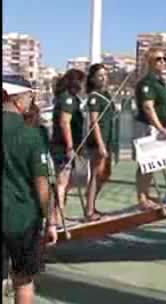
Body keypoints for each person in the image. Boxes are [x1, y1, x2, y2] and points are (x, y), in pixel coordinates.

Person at [3, 82, 57, 304]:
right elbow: (42, 184)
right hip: (22, 218)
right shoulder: (32, 134)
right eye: (30, 97)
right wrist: (51, 220)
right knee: (24, 280)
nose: (31, 102)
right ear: (18, 99)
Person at [134, 48, 166, 210]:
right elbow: (148, 107)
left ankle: (146, 193)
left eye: (164, 58)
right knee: (146, 162)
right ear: (150, 62)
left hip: (159, 125)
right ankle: (142, 197)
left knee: (153, 163)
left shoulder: (160, 82)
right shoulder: (147, 83)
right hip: (148, 126)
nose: (163, 61)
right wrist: (160, 129)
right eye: (159, 59)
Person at [50, 69, 86, 220]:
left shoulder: (68, 98)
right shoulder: (68, 99)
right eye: (82, 82)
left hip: (65, 145)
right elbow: (65, 123)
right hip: (63, 147)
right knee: (62, 182)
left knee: (66, 181)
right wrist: (70, 147)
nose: (84, 85)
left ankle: (58, 211)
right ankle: (57, 215)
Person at [85, 64, 116, 221]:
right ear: (92, 79)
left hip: (109, 139)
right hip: (98, 141)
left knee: (105, 174)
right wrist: (101, 144)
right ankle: (89, 211)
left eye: (105, 74)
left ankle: (91, 204)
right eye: (99, 75)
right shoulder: (94, 97)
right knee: (96, 175)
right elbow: (94, 122)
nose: (104, 77)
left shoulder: (107, 95)